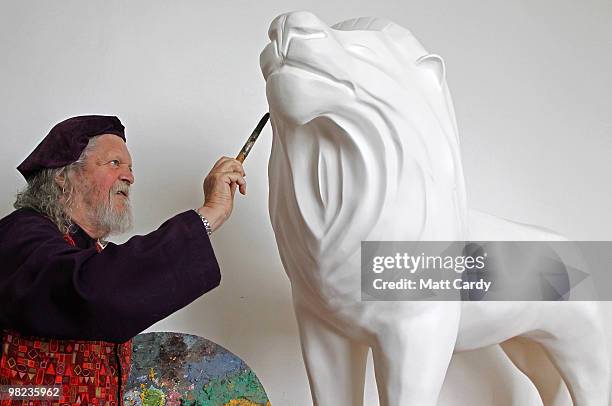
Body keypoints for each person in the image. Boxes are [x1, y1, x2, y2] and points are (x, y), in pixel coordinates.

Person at [0, 115, 247, 405]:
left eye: (130, 168)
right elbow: (92, 292)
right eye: (115, 163)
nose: (130, 177)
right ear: (63, 175)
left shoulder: (93, 251)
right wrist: (209, 214)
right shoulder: (20, 234)